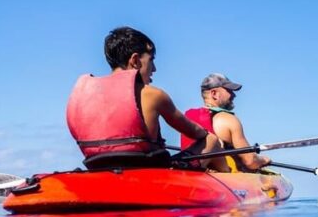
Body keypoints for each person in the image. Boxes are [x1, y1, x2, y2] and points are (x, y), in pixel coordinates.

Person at [66, 27, 230, 171]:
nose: (154, 69)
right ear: (135, 60)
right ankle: (230, 178)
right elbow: (196, 132)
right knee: (211, 139)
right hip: (148, 170)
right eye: (151, 60)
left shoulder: (84, 95)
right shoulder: (152, 94)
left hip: (98, 167)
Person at [180, 73, 271, 171]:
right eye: (229, 90)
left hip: (191, 174)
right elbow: (250, 162)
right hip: (222, 181)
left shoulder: (188, 117)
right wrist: (265, 160)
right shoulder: (228, 120)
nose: (233, 95)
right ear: (214, 93)